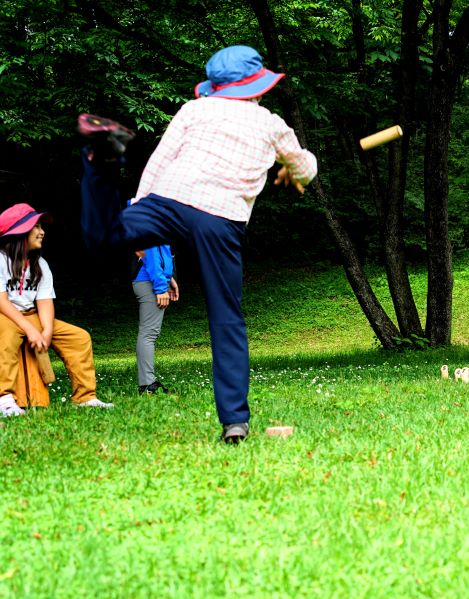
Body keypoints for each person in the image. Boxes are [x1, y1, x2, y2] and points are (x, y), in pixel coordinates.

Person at [78, 45, 317, 442]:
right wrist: (296, 174)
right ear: (256, 87)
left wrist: (140, 213)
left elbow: (159, 161)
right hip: (219, 217)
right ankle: (235, 423)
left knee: (103, 236)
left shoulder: (193, 110)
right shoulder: (270, 123)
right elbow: (305, 164)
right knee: (226, 319)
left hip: (167, 200)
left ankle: (101, 167)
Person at [0, 203, 114, 416]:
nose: (42, 232)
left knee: (78, 338)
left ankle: (85, 397)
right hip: (5, 315)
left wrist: (46, 331)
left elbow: (44, 302)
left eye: (42, 227)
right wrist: (31, 330)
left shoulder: (40, 264)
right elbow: (2, 301)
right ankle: (4, 399)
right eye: (36, 227)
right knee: (7, 337)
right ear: (19, 231)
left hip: (31, 315)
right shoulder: (1, 260)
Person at [132, 244, 179, 394]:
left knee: (150, 333)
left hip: (153, 279)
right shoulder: (150, 222)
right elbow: (149, 254)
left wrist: (169, 278)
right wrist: (160, 287)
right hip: (149, 281)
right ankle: (147, 385)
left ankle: (147, 384)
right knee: (148, 334)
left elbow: (161, 254)